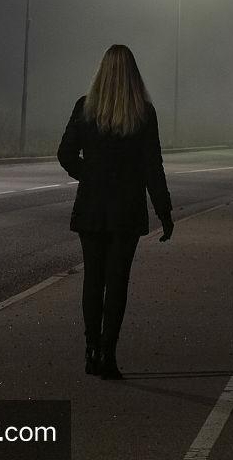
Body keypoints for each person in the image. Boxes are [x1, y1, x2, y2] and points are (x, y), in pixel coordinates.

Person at [57, 44, 174, 380]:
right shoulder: (144, 114)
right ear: (133, 75)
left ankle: (91, 349)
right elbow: (153, 167)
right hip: (127, 208)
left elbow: (65, 153)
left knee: (93, 279)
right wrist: (164, 211)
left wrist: (89, 174)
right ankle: (108, 354)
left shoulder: (85, 108)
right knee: (118, 282)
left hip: (92, 206)